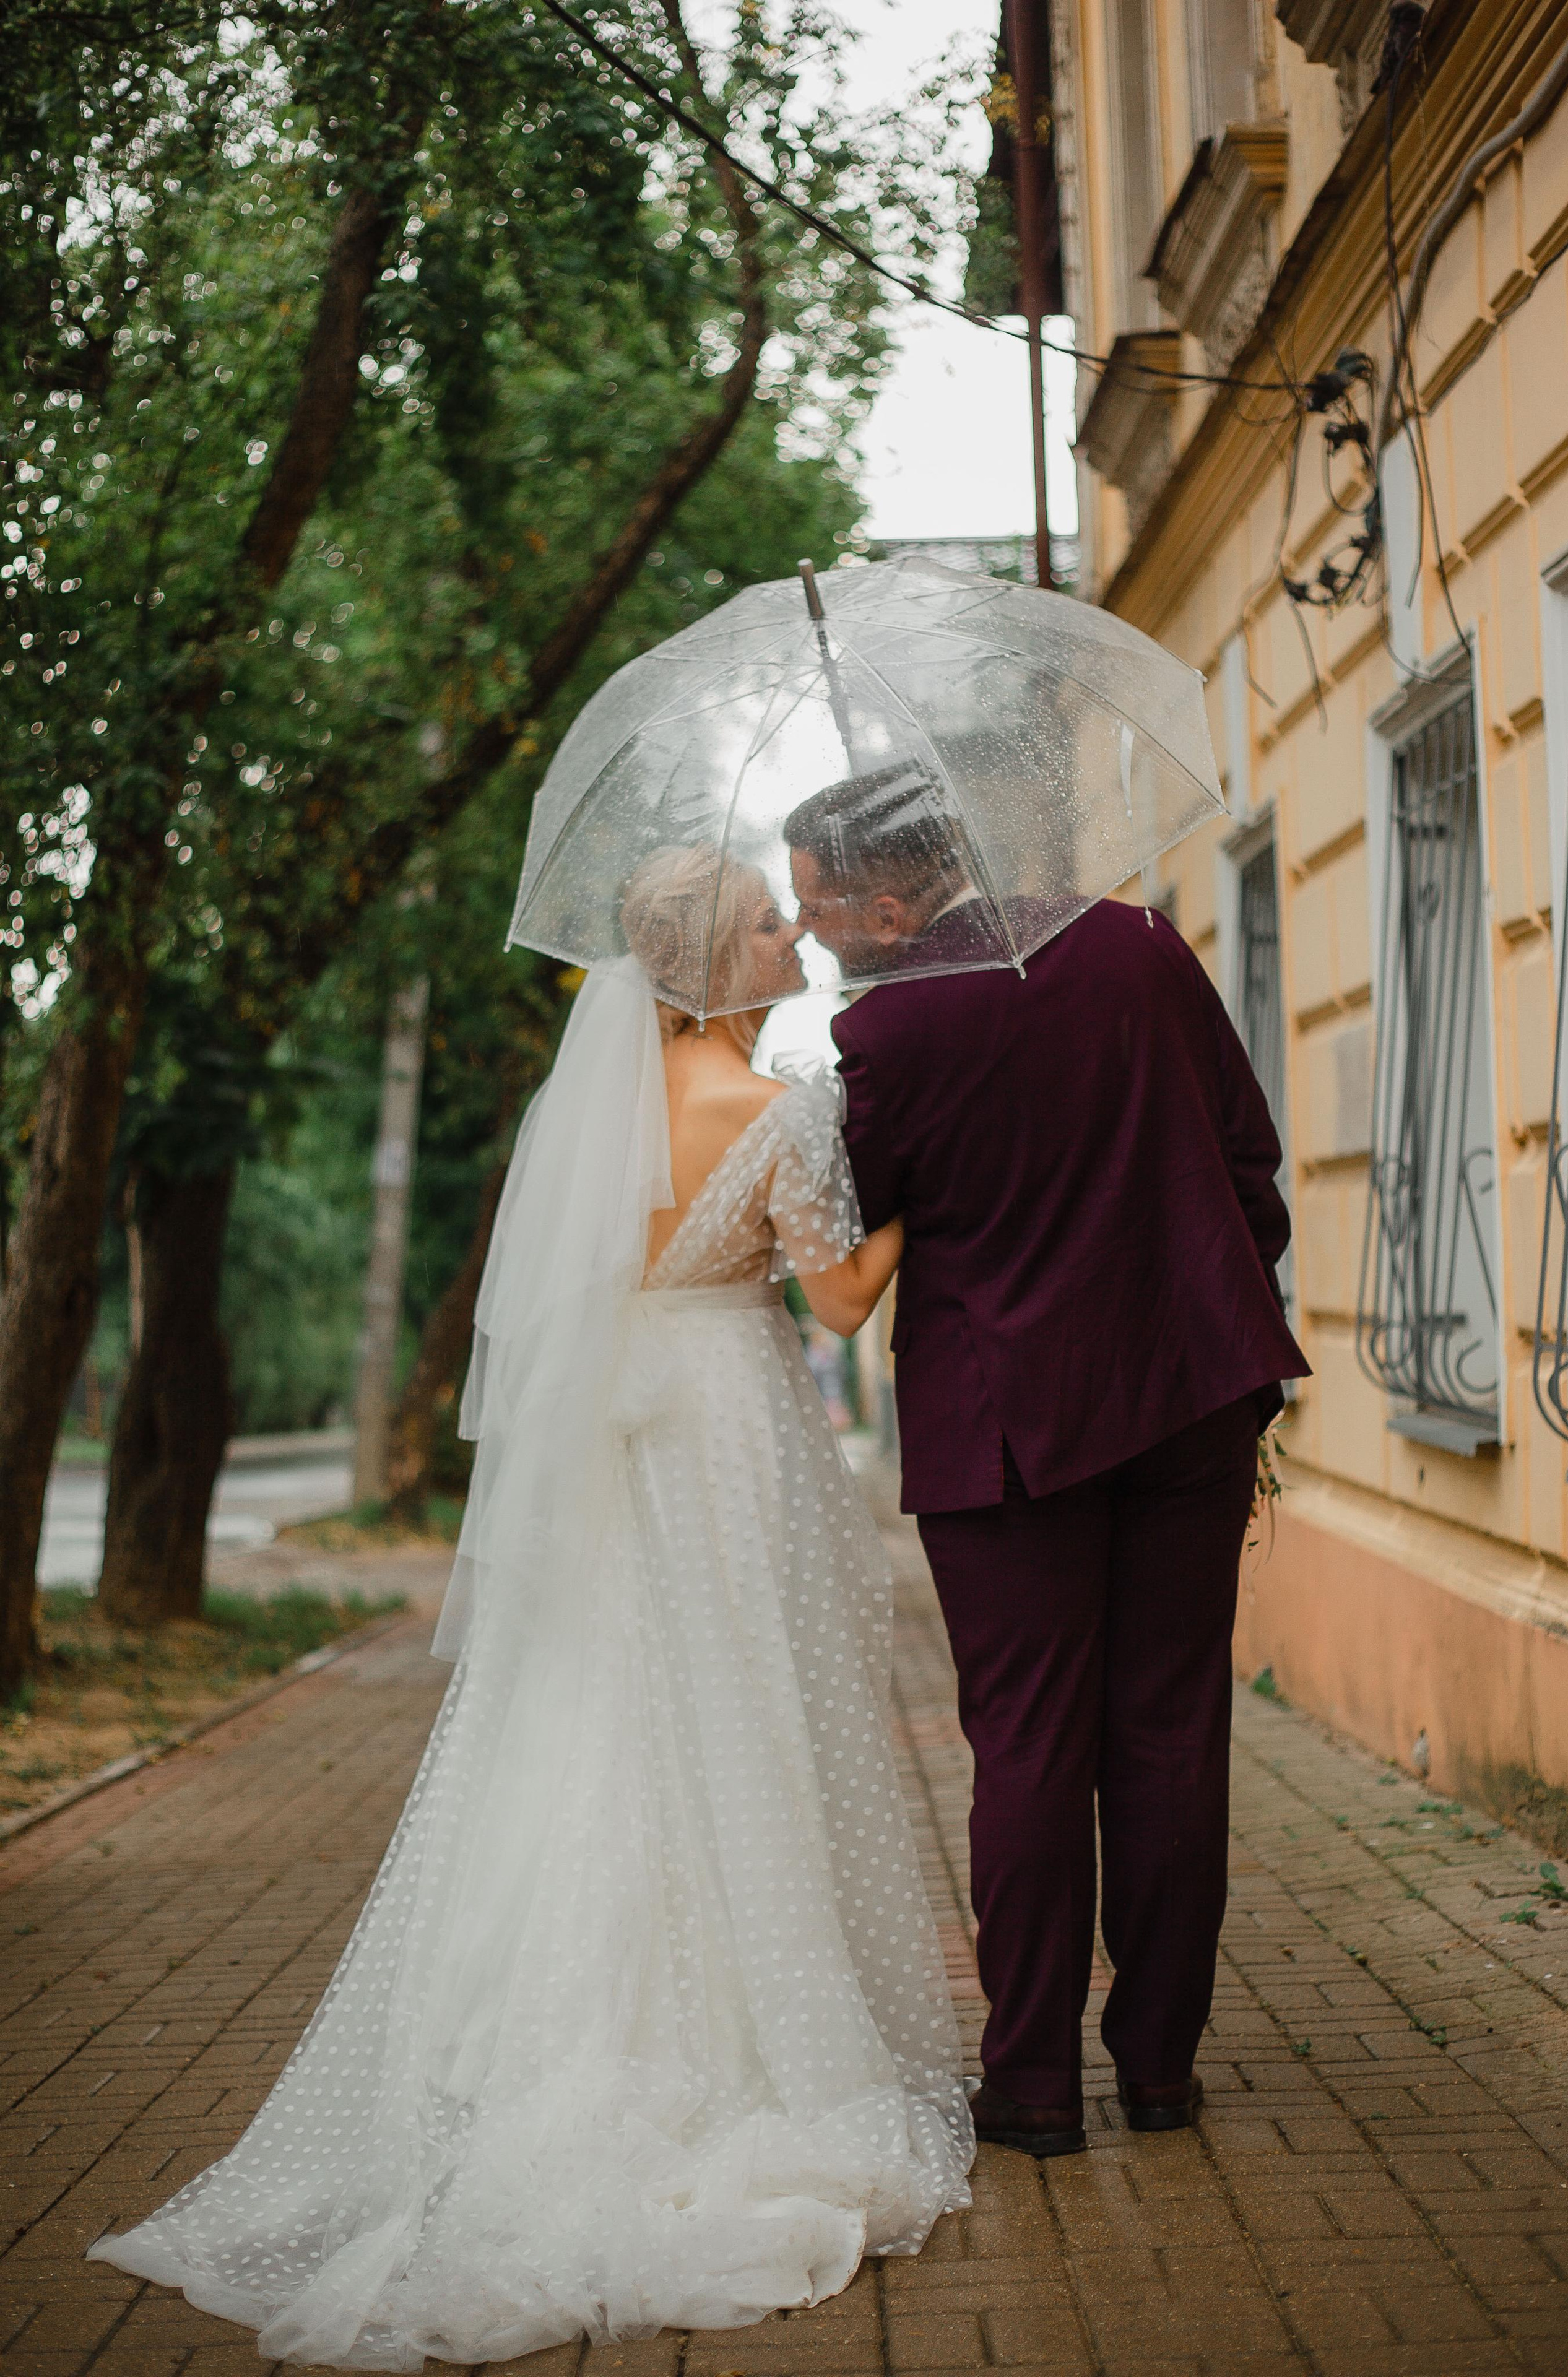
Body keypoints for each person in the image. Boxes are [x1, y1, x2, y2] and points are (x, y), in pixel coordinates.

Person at [88, 842, 973, 2371]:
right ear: (709, 964)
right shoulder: (777, 1107)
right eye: (766, 922)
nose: (790, 934)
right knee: (737, 1716)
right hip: (721, 1421)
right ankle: (733, 2054)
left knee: (603, 1719)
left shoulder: (597, 1120)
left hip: (624, 1431)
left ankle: (558, 2051)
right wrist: (936, 1201)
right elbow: (837, 1303)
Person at [787, 762, 1309, 2158]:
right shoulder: (1139, 946)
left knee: (1022, 1749)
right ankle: (1156, 2071)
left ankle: (1027, 2087)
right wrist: (1195, 1312)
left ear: (890, 902)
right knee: (1166, 1734)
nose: (810, 932)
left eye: (818, 904)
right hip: (1190, 1400)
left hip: (1005, 1431)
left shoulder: (887, 1034)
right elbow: (1248, 1164)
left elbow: (856, 1230)